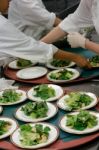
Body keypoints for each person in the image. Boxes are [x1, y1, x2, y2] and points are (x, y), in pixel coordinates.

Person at [0, 0, 91, 69]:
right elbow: (29, 46)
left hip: (33, 48)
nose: (10, 2)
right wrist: (75, 57)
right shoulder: (23, 3)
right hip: (18, 56)